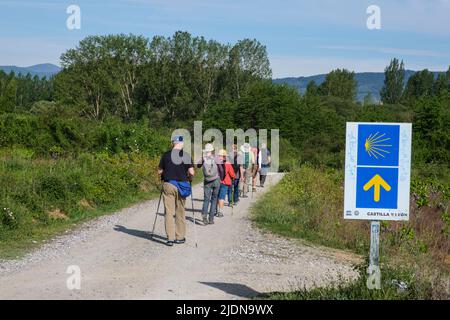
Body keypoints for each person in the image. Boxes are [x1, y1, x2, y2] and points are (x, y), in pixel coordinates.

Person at [158, 135, 194, 246]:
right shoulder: (186, 155)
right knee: (180, 212)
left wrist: (165, 173)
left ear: (173, 143)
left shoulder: (166, 155)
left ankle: (170, 238)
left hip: (168, 184)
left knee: (169, 212)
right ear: (181, 143)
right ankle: (180, 237)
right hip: (182, 186)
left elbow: (159, 171)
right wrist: (190, 179)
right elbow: (191, 172)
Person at [196, 143, 220, 225]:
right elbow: (221, 168)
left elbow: (198, 166)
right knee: (214, 199)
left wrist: (202, 158)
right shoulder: (216, 157)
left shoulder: (203, 158)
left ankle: (204, 217)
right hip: (216, 179)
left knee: (206, 199)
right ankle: (211, 219)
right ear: (212, 150)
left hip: (207, 180)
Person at [217, 149, 236, 217]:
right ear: (224, 156)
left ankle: (215, 210)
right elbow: (232, 174)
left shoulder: (216, 163)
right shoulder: (228, 164)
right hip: (225, 183)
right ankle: (220, 211)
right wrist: (234, 177)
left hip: (217, 181)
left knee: (217, 196)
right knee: (221, 197)